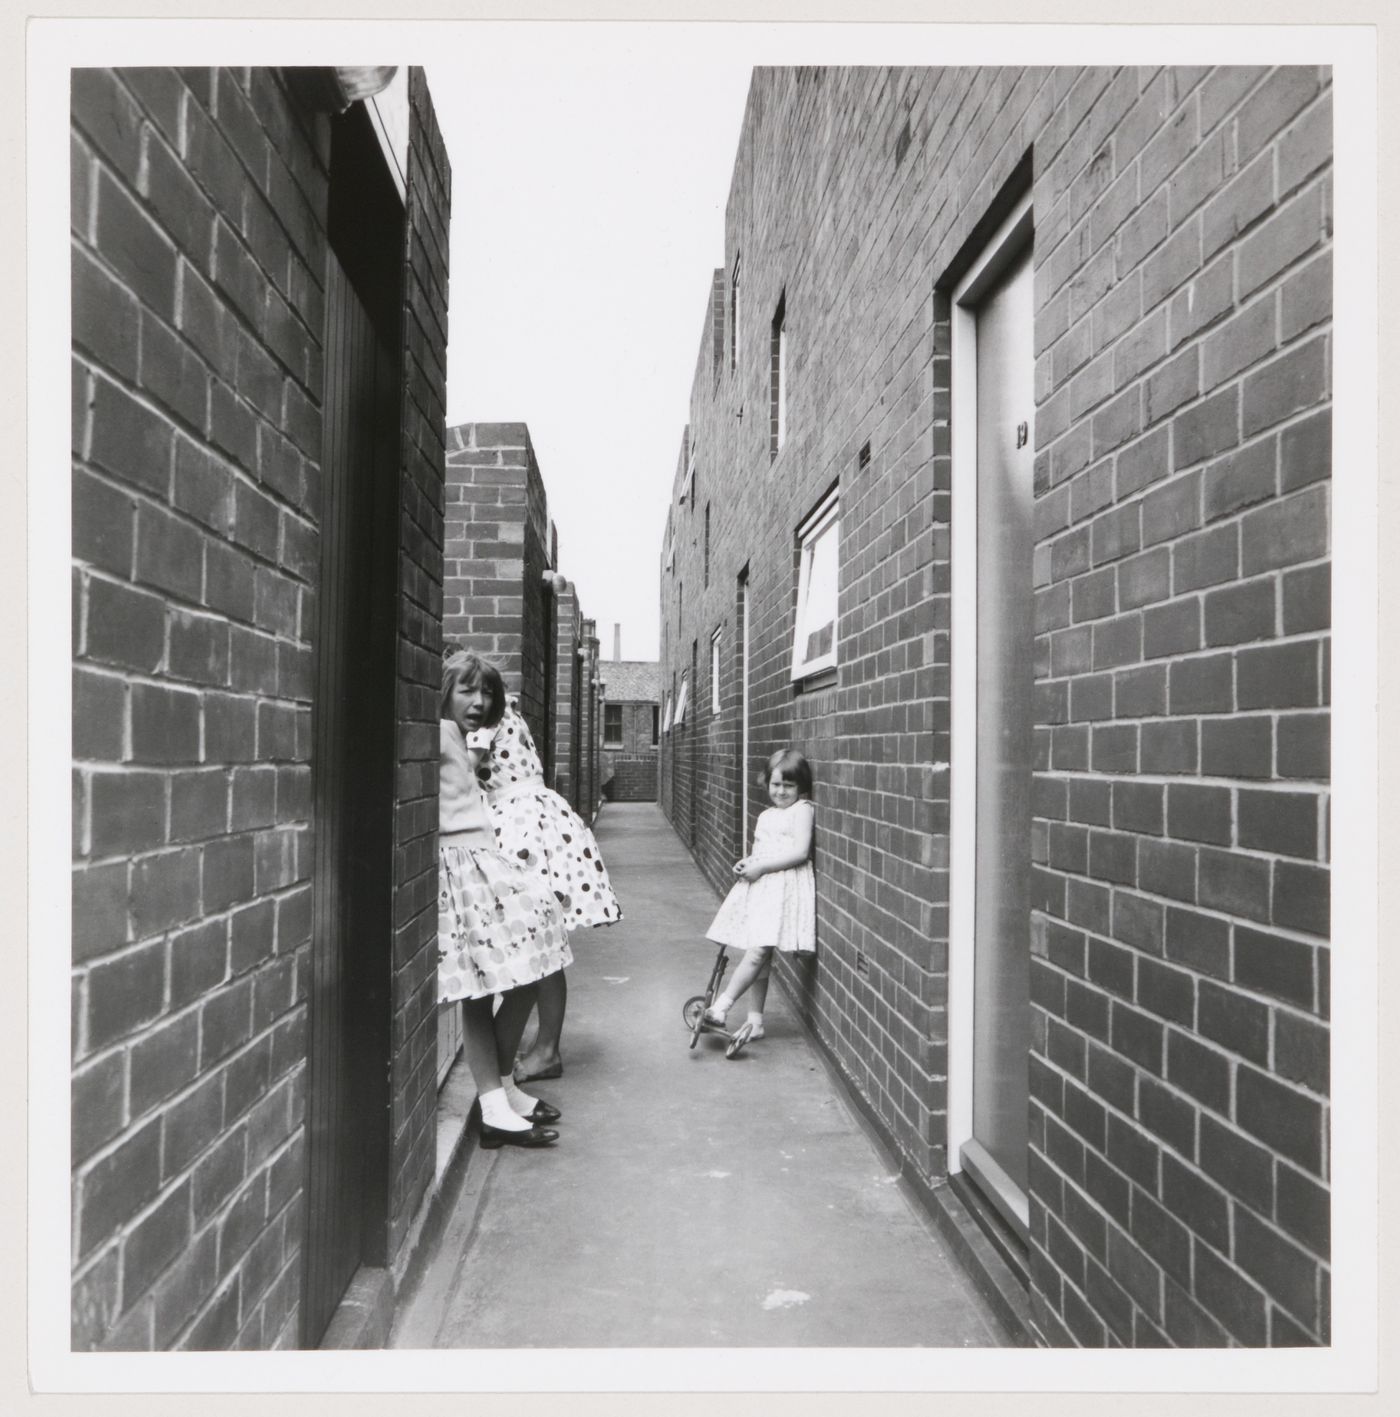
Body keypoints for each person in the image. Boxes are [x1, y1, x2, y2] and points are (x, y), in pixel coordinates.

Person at [456, 651, 622, 1083]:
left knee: (541, 947)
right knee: (546, 943)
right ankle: (544, 1045)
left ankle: (546, 1048)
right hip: (540, 821)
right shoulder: (506, 712)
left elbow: (463, 775)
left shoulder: (483, 727)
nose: (477, 699)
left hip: (521, 829)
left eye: (482, 690)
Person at [439, 651, 572, 1148]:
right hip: (457, 865)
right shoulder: (435, 733)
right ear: (444, 691)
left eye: (487, 692)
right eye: (466, 691)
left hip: (481, 858)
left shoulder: (461, 737)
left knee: (530, 964)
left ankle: (505, 1091)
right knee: (479, 990)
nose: (479, 702)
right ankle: (494, 1105)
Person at [703, 748, 816, 1038]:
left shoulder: (802, 811)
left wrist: (762, 867)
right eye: (776, 784)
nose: (781, 791)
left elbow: (800, 852)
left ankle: (721, 1007)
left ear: (800, 787)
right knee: (760, 955)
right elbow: (762, 852)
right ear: (766, 783)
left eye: (789, 786)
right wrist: (748, 863)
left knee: (757, 952)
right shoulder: (767, 814)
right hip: (766, 888)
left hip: (784, 888)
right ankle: (756, 1021)